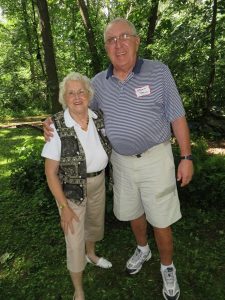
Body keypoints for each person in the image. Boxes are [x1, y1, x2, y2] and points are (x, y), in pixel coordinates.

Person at [44, 18, 193, 300]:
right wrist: (49, 121)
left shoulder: (159, 72)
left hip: (156, 158)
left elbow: (177, 115)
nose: (118, 44)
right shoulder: (99, 83)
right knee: (133, 212)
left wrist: (186, 156)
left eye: (124, 36)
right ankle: (143, 249)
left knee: (161, 218)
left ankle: (167, 266)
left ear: (137, 41)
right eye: (111, 40)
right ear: (105, 48)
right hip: (121, 162)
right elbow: (78, 110)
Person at [41, 72, 112, 300]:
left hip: (98, 181)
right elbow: (50, 173)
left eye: (81, 91)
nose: (77, 96)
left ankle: (91, 254)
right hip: (71, 191)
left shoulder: (99, 117)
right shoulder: (56, 126)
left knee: (93, 223)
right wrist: (63, 207)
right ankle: (78, 289)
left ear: (89, 95)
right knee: (73, 239)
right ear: (64, 98)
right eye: (71, 93)